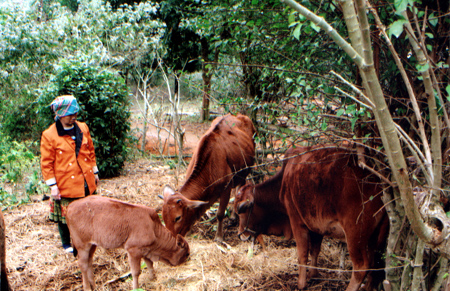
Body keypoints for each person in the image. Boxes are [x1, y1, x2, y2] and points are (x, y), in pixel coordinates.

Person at [40, 95, 99, 253]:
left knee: (88, 211)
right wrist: (53, 185)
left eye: (75, 114)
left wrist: (95, 171)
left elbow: (90, 151)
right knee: (66, 216)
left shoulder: (82, 128)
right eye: (70, 114)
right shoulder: (49, 135)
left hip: (85, 179)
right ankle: (67, 243)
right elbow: (46, 163)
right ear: (60, 114)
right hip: (65, 182)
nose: (74, 117)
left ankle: (87, 239)